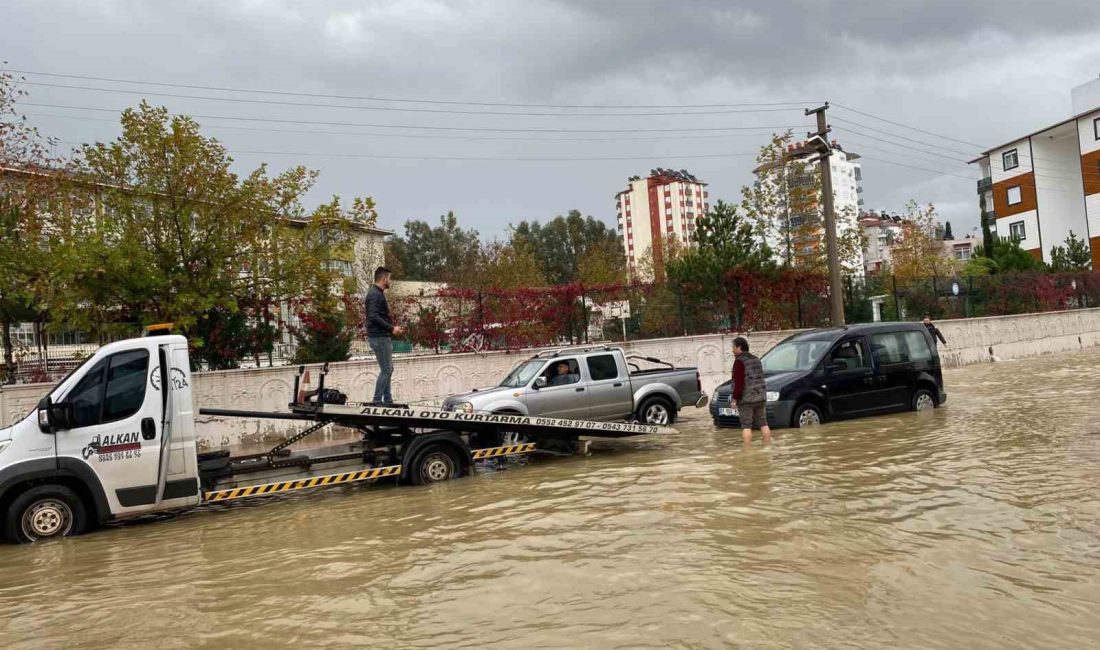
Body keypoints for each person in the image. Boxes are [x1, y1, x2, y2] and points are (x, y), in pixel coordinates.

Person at [365, 267, 404, 404]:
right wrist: (392, 328)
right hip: (379, 337)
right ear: (384, 279)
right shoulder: (375, 294)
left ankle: (387, 399)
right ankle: (377, 401)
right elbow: (373, 316)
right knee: (387, 369)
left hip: (381, 336)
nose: (390, 281)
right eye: (389, 278)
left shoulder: (377, 293)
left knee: (388, 369)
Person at [731, 336, 771, 447]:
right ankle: (768, 447)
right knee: (763, 423)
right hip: (761, 397)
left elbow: (739, 382)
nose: (732, 350)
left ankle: (748, 450)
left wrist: (735, 398)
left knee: (746, 425)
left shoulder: (739, 361)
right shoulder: (757, 359)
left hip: (747, 399)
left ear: (739, 347)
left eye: (733, 347)